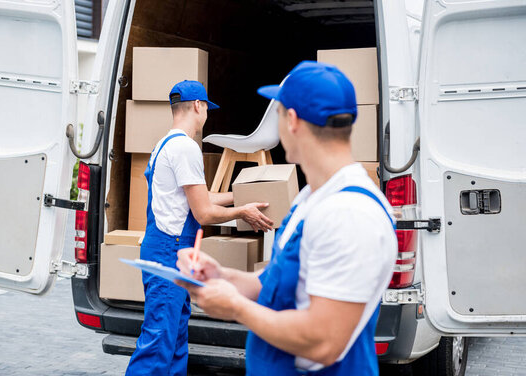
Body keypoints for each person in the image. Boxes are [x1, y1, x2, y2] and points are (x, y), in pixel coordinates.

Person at [176, 62, 398, 375]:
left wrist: (236, 308)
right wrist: (221, 277)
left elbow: (323, 341)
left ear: (291, 120)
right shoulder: (313, 198)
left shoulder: (350, 214)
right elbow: (273, 285)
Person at [125, 80, 274, 376]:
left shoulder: (164, 144)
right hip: (170, 250)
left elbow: (196, 197)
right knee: (158, 343)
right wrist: (241, 212)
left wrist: (241, 193)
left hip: (167, 248)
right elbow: (203, 213)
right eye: (206, 107)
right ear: (198, 106)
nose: (206, 113)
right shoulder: (185, 148)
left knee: (176, 339)